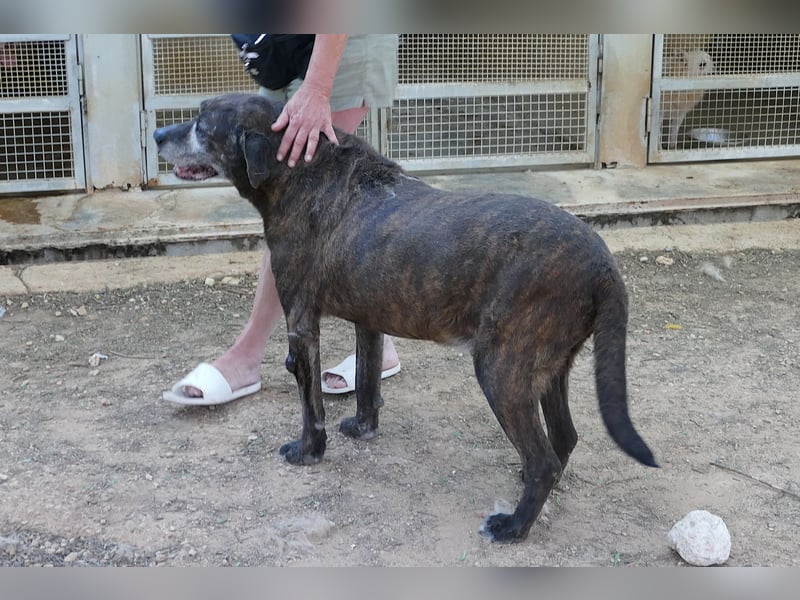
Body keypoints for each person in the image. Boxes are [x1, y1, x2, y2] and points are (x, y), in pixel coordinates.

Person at [163, 34, 402, 405]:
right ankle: (380, 345)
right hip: (283, 42)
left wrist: (318, 88)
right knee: (306, 211)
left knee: (294, 208)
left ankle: (246, 356)